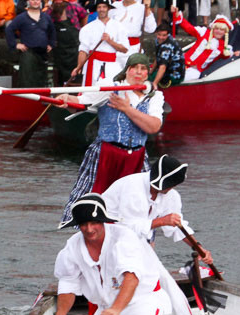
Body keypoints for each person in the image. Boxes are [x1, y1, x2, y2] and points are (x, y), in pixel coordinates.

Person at [100, 155, 212, 315]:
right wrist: (161, 221)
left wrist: (200, 248)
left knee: (157, 277)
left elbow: (176, 227)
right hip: (109, 235)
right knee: (149, 275)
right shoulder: (132, 188)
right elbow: (128, 227)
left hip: (139, 239)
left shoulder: (172, 196)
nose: (159, 189)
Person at [50, 193, 172, 315]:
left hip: (142, 302)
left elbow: (131, 278)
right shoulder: (72, 247)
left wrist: (117, 309)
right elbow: (68, 283)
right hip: (106, 309)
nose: (89, 229)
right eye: (83, 224)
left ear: (103, 221)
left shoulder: (124, 238)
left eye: (94, 222)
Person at [58, 54, 164, 224]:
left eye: (143, 69)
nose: (138, 72)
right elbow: (81, 103)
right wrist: (66, 99)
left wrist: (127, 109)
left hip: (136, 157)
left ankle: (135, 239)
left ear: (147, 73)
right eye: (134, 67)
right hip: (107, 153)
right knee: (92, 202)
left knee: (137, 206)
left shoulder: (154, 96)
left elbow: (153, 126)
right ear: (127, 70)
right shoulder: (109, 88)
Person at [71, 0, 127, 86]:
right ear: (96, 9)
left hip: (112, 65)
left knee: (112, 92)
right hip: (93, 65)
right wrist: (78, 67)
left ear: (109, 8)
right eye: (99, 7)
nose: (102, 9)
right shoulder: (87, 28)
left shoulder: (118, 26)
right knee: (90, 93)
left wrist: (110, 41)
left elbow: (124, 49)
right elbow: (83, 51)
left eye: (104, 7)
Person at [5, 0, 55, 87]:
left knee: (42, 80)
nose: (35, 2)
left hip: (43, 54)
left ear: (40, 2)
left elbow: (52, 30)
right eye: (33, 0)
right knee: (27, 80)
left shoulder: (46, 17)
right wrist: (15, 44)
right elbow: (9, 30)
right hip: (28, 53)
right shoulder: (22, 17)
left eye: (37, 0)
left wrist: (51, 44)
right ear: (28, 2)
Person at [174, 8, 234, 81]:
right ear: (213, 28)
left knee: (184, 78)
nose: (218, 31)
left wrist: (234, 53)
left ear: (225, 32)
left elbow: (228, 58)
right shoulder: (204, 32)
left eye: (221, 30)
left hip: (195, 72)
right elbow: (189, 28)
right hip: (183, 61)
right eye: (216, 28)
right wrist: (177, 15)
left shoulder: (224, 47)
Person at [150, 21, 184, 87]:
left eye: (164, 35)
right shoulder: (158, 41)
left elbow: (163, 67)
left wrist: (154, 83)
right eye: (159, 34)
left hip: (174, 75)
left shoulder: (166, 47)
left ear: (168, 35)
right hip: (166, 71)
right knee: (148, 75)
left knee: (147, 79)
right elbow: (158, 58)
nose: (161, 37)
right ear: (156, 33)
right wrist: (151, 71)